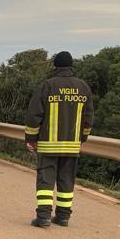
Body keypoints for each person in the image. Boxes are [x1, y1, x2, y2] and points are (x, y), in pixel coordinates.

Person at [24, 50, 95, 227]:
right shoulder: (83, 87)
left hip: (49, 144)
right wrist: (83, 138)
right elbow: (88, 117)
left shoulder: (47, 86)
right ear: (71, 66)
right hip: (72, 145)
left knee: (46, 179)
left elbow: (34, 115)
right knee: (66, 180)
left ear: (55, 66)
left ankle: (44, 217)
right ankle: (63, 217)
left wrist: (31, 138)